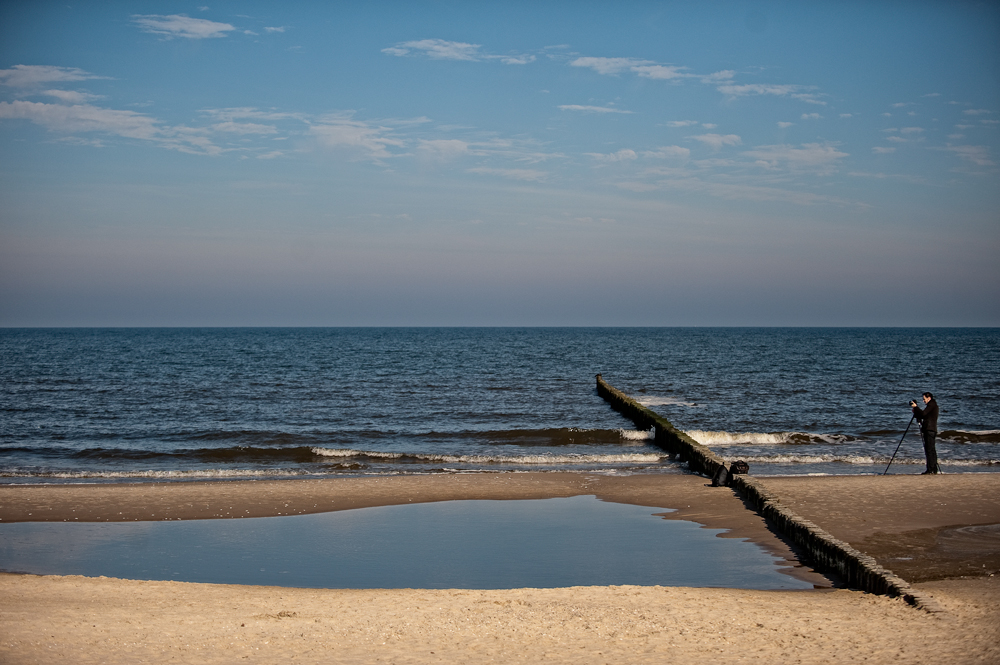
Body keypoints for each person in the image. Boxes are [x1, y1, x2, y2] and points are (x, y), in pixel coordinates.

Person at [910, 392, 939, 474]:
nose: (923, 401)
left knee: (929, 450)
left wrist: (916, 407)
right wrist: (916, 412)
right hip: (931, 429)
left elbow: (923, 413)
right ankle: (933, 468)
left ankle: (931, 469)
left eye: (924, 399)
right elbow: (924, 415)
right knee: (931, 450)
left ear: (929, 398)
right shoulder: (933, 406)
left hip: (929, 429)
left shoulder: (931, 405)